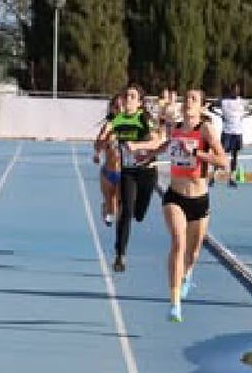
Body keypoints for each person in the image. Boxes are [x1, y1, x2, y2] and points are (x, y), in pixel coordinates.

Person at [156, 89, 226, 322]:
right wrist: (145, 155)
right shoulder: (175, 129)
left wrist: (196, 152)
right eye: (186, 98)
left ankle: (187, 274)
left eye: (194, 99)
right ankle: (174, 303)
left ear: (201, 107)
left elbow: (223, 161)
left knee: (193, 252)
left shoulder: (205, 130)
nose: (188, 102)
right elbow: (164, 144)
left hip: (199, 199)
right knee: (178, 242)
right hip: (175, 195)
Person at [100, 83, 164, 273]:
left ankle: (136, 211)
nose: (128, 99)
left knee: (139, 214)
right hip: (128, 171)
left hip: (147, 172)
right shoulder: (117, 119)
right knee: (125, 212)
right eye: (126, 96)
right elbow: (103, 138)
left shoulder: (144, 119)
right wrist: (106, 141)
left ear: (139, 102)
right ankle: (120, 255)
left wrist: (136, 147)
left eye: (132, 96)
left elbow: (157, 141)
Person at [208, 82, 252, 188]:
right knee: (221, 154)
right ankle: (213, 177)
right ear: (231, 90)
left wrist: (244, 116)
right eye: (234, 90)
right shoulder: (224, 101)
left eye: (238, 90)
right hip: (227, 131)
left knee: (235, 155)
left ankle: (231, 178)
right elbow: (210, 107)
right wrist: (220, 115)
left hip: (237, 132)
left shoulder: (243, 102)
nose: (236, 92)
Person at [92, 93, 125, 226]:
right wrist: (99, 151)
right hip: (107, 172)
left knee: (117, 206)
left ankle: (109, 208)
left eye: (122, 106)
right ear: (112, 109)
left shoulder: (132, 126)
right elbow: (97, 144)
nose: (120, 109)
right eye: (117, 107)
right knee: (111, 205)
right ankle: (106, 206)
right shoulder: (108, 126)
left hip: (123, 172)